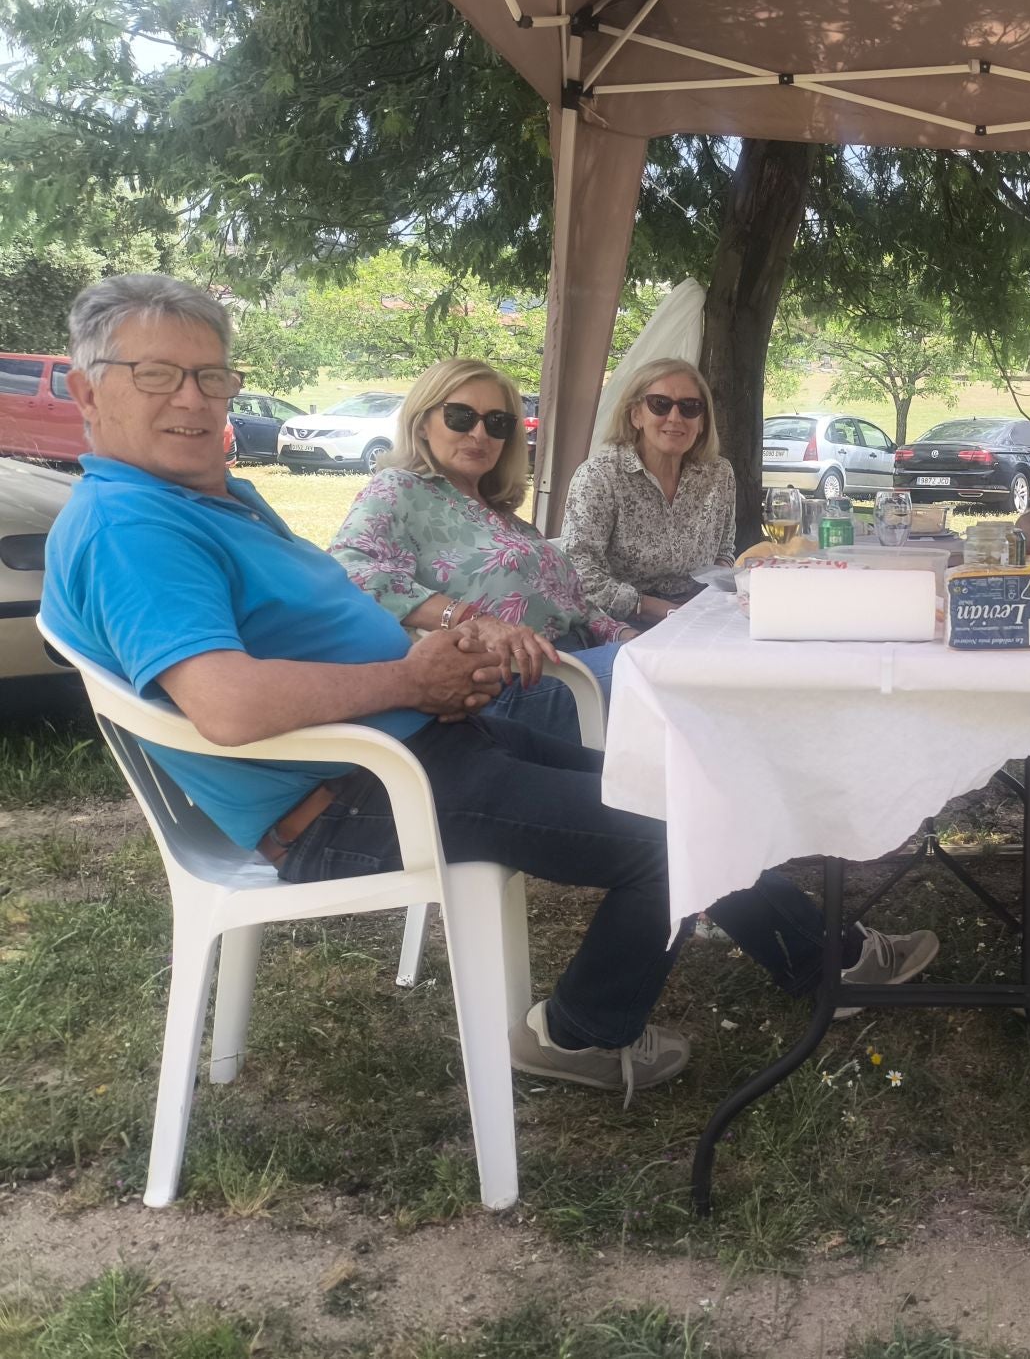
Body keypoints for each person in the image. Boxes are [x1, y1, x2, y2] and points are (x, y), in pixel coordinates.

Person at [41, 275, 935, 1107]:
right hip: (354, 798)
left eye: (211, 375)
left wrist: (437, 660)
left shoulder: (210, 500)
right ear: (87, 393)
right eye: (158, 375)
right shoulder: (133, 525)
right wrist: (410, 672)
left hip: (420, 744)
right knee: (670, 835)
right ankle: (582, 1034)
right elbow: (226, 705)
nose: (194, 399)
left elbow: (325, 624)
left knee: (681, 790)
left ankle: (824, 963)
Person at [330, 358, 636, 742]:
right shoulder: (399, 489)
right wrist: (469, 618)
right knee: (666, 680)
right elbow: (350, 571)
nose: (480, 434)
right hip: (512, 685)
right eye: (461, 416)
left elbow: (577, 607)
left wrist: (626, 634)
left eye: (497, 423)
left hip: (578, 662)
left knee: (679, 666)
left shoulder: (506, 519)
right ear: (423, 422)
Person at [559, 358, 734, 625]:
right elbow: (579, 573)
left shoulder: (718, 474)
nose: (675, 418)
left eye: (690, 408)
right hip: (622, 624)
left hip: (701, 615)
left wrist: (714, 600)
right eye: (660, 405)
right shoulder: (600, 476)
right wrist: (666, 611)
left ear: (701, 422)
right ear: (636, 415)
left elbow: (724, 550)